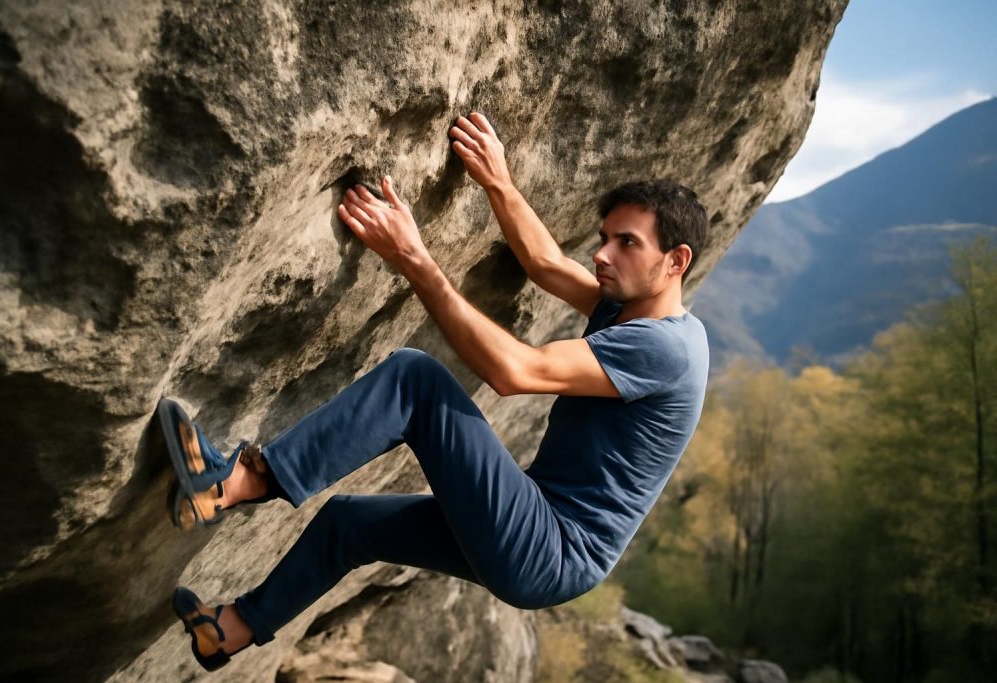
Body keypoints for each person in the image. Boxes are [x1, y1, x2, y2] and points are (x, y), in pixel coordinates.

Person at [163, 112, 710, 671]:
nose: (602, 255)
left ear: (677, 261)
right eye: (605, 239)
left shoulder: (666, 348)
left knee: (415, 380)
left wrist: (414, 258)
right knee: (349, 524)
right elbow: (546, 264)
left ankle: (241, 483)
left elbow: (516, 371)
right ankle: (230, 631)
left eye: (627, 243)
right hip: (542, 532)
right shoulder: (628, 307)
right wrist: (497, 180)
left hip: (551, 547)